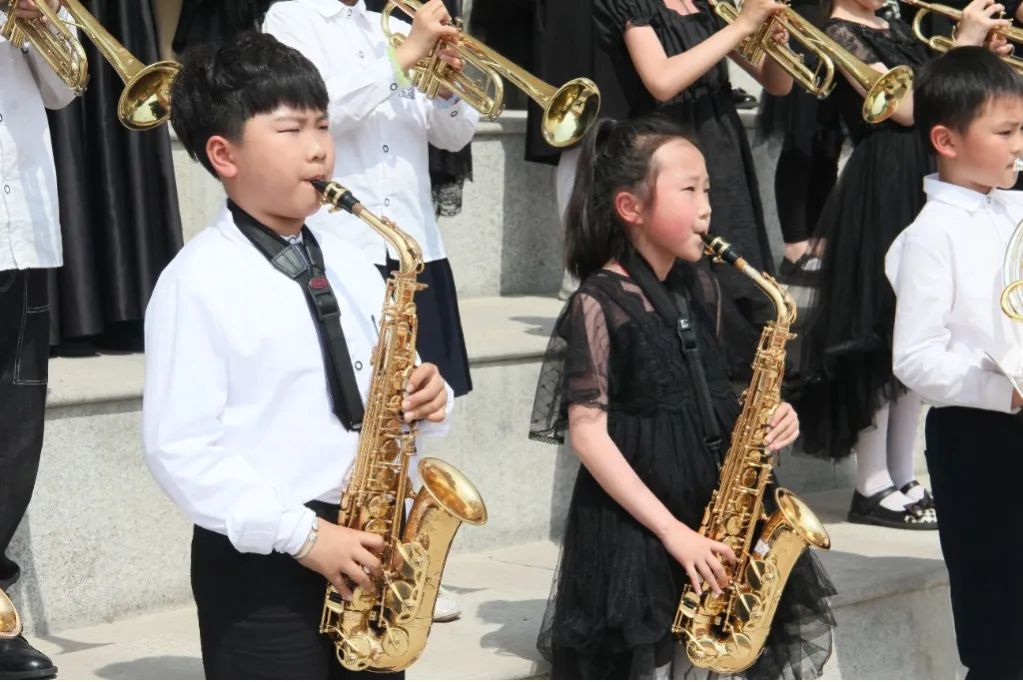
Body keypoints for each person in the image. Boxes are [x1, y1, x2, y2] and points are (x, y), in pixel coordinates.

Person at [143, 32, 454, 679]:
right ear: (223, 155)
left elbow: (394, 387)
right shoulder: (196, 280)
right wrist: (307, 537)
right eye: (290, 129)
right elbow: (180, 448)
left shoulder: (353, 259)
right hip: (264, 564)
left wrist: (430, 397)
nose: (318, 146)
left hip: (369, 541)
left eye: (322, 124)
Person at [529, 115, 835, 679]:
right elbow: (587, 434)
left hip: (712, 498)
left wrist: (771, 411)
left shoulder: (703, 285)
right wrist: (672, 532)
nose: (706, 208)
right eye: (689, 190)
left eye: (708, 191)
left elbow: (722, 387)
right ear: (631, 208)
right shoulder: (598, 302)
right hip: (642, 523)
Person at [792, 0, 1006, 529]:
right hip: (881, 183)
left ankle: (903, 474)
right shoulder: (837, 30)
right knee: (879, 334)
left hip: (918, 172)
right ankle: (872, 483)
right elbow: (907, 106)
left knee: (921, 329)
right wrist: (965, 43)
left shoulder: (890, 25)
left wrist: (975, 60)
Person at [887, 46, 1023, 679]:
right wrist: (1008, 395)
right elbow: (914, 357)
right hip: (980, 436)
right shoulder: (929, 234)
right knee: (998, 610)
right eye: (1005, 131)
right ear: (945, 138)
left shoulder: (1014, 206)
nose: (1019, 143)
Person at [263, 0, 478, 399]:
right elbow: (314, 112)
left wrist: (447, 92)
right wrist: (406, 55)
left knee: (425, 406)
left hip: (414, 249)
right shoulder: (290, 18)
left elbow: (453, 137)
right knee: (345, 402)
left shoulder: (396, 26)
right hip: (339, 246)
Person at [594, 0, 793, 381]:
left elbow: (777, 84)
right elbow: (661, 80)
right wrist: (741, 26)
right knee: (688, 279)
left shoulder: (709, 4)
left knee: (739, 269)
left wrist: (774, 44)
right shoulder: (633, 6)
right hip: (666, 148)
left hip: (721, 146)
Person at [0, 0, 75, 677]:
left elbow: (65, 83)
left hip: (19, 238)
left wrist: (39, 20)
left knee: (14, 439)